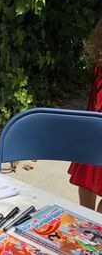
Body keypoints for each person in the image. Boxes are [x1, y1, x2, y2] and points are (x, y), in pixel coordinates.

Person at [68, 19, 102, 213]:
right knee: (90, 172)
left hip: (92, 129)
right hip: (95, 127)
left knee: (89, 172)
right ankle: (90, 221)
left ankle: (89, 220)